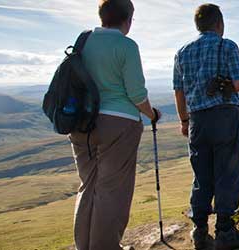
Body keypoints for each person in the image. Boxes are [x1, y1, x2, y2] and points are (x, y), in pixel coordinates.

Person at [68, 0, 161, 249]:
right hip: (118, 125)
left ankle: (84, 246)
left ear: (102, 16)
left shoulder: (83, 41)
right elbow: (137, 94)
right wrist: (152, 114)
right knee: (112, 190)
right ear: (128, 19)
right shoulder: (126, 45)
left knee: (88, 186)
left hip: (80, 122)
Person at [173, 3, 239, 250]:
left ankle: (199, 231)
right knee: (227, 174)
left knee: (201, 175)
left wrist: (184, 120)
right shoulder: (226, 45)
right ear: (219, 23)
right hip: (224, 117)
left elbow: (179, 91)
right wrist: (229, 83)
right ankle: (226, 232)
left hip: (197, 120)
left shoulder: (182, 52)